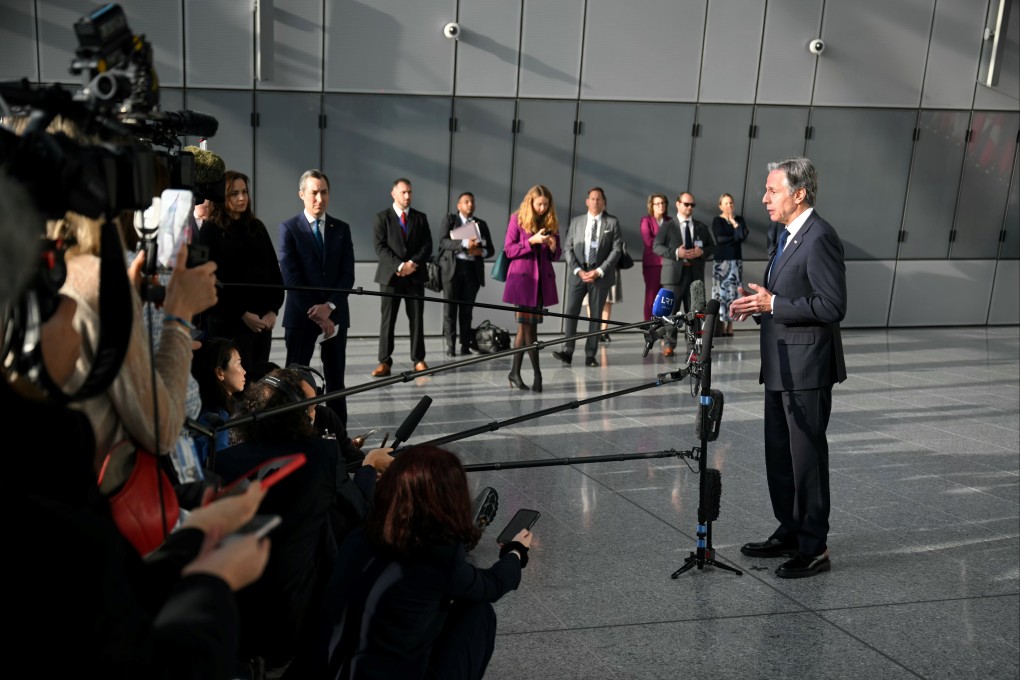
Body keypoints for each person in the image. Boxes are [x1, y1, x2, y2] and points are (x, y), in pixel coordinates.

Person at [1, 176, 272, 676]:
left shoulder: (49, 452)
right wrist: (177, 317)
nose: (69, 311)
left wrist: (195, 540)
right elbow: (166, 426)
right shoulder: (91, 285)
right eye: (53, 300)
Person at [293, 445, 532, 680]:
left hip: (320, 669)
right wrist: (515, 552)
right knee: (478, 612)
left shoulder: (357, 538)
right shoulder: (438, 556)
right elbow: (491, 586)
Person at [215, 367, 394, 670]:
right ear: (296, 412)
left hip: (232, 623)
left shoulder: (224, 460)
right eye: (309, 405)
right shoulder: (322, 454)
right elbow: (360, 507)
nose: (314, 411)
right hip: (295, 622)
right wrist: (368, 465)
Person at [729, 157, 847, 579]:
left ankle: (814, 547)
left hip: (808, 369)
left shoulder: (820, 238)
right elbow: (784, 297)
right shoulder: (783, 235)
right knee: (779, 455)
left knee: (806, 460)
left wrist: (773, 304)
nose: (764, 198)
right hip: (780, 364)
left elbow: (832, 306)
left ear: (799, 194)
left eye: (772, 190)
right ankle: (791, 530)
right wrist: (759, 306)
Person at [279, 169, 355, 425]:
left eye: (324, 192)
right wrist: (316, 310)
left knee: (336, 382)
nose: (319, 198)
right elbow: (291, 277)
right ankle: (293, 431)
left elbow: (347, 275)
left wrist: (330, 306)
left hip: (335, 315)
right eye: (314, 192)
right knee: (295, 380)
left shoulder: (341, 229)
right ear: (302, 194)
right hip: (301, 318)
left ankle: (339, 438)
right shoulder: (289, 228)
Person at [198, 170, 284, 373]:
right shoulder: (210, 230)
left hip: (262, 325)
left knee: (259, 383)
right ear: (222, 197)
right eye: (234, 194)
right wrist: (242, 314)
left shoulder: (257, 227)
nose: (242, 198)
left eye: (244, 192)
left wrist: (273, 310)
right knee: (233, 386)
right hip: (227, 325)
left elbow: (274, 271)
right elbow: (207, 279)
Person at [553, 187, 623, 368]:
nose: (595, 202)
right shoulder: (576, 222)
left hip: (600, 275)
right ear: (587, 201)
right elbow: (567, 248)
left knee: (596, 316)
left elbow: (616, 250)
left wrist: (599, 270)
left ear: (604, 202)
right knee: (571, 312)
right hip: (578, 274)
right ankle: (567, 351)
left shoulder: (612, 223)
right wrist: (577, 270)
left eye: (599, 199)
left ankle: (590, 354)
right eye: (592, 199)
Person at [371, 178, 433, 378]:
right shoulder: (382, 218)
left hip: (414, 277)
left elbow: (427, 245)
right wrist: (399, 265)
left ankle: (419, 360)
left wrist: (411, 264)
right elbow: (380, 247)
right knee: (387, 320)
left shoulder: (420, 218)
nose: (407, 196)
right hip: (390, 277)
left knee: (417, 320)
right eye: (404, 192)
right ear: (394, 194)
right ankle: (384, 361)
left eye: (410, 192)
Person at [501, 184, 561, 391]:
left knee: (525, 328)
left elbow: (556, 254)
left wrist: (553, 247)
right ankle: (538, 374)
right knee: (529, 329)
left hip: (541, 283)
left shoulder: (550, 221)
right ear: (531, 202)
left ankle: (515, 372)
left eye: (546, 204)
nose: (542, 208)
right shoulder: (516, 219)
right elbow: (508, 250)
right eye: (539, 204)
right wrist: (532, 241)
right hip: (523, 281)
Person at [652, 192, 715, 357]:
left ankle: (693, 346)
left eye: (692, 205)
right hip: (673, 275)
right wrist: (676, 253)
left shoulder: (700, 226)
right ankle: (669, 344)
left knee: (694, 312)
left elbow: (712, 247)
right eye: (686, 204)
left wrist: (701, 251)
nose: (689, 208)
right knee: (671, 312)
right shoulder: (668, 226)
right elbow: (656, 246)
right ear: (678, 204)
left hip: (694, 274)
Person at [438, 191, 495, 356]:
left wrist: (480, 252)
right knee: (450, 310)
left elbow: (490, 249)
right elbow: (443, 242)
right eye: (466, 202)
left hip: (472, 271)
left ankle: (464, 345)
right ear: (459, 205)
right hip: (452, 270)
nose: (470, 204)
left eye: (472, 202)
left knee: (466, 311)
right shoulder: (450, 220)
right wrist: (464, 243)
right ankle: (450, 347)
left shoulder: (481, 224)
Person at [191, 336, 246, 466]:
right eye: (238, 363)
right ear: (220, 372)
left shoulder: (206, 408)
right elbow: (221, 465)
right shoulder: (216, 418)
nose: (244, 371)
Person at [711, 193, 749, 337]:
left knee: (734, 292)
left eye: (731, 203)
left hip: (736, 261)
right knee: (721, 293)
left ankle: (731, 324)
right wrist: (735, 236)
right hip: (721, 262)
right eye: (726, 203)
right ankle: (720, 324)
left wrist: (734, 223)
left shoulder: (739, 220)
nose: (729, 206)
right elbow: (720, 239)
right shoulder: (717, 220)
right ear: (720, 205)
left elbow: (743, 236)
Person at [640, 194, 670, 321]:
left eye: (663, 203)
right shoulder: (646, 221)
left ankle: (664, 328)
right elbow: (648, 242)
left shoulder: (670, 221)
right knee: (652, 297)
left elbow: (676, 240)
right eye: (657, 203)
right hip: (653, 264)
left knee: (666, 298)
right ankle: (649, 326)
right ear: (651, 206)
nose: (661, 206)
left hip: (668, 264)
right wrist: (666, 246)